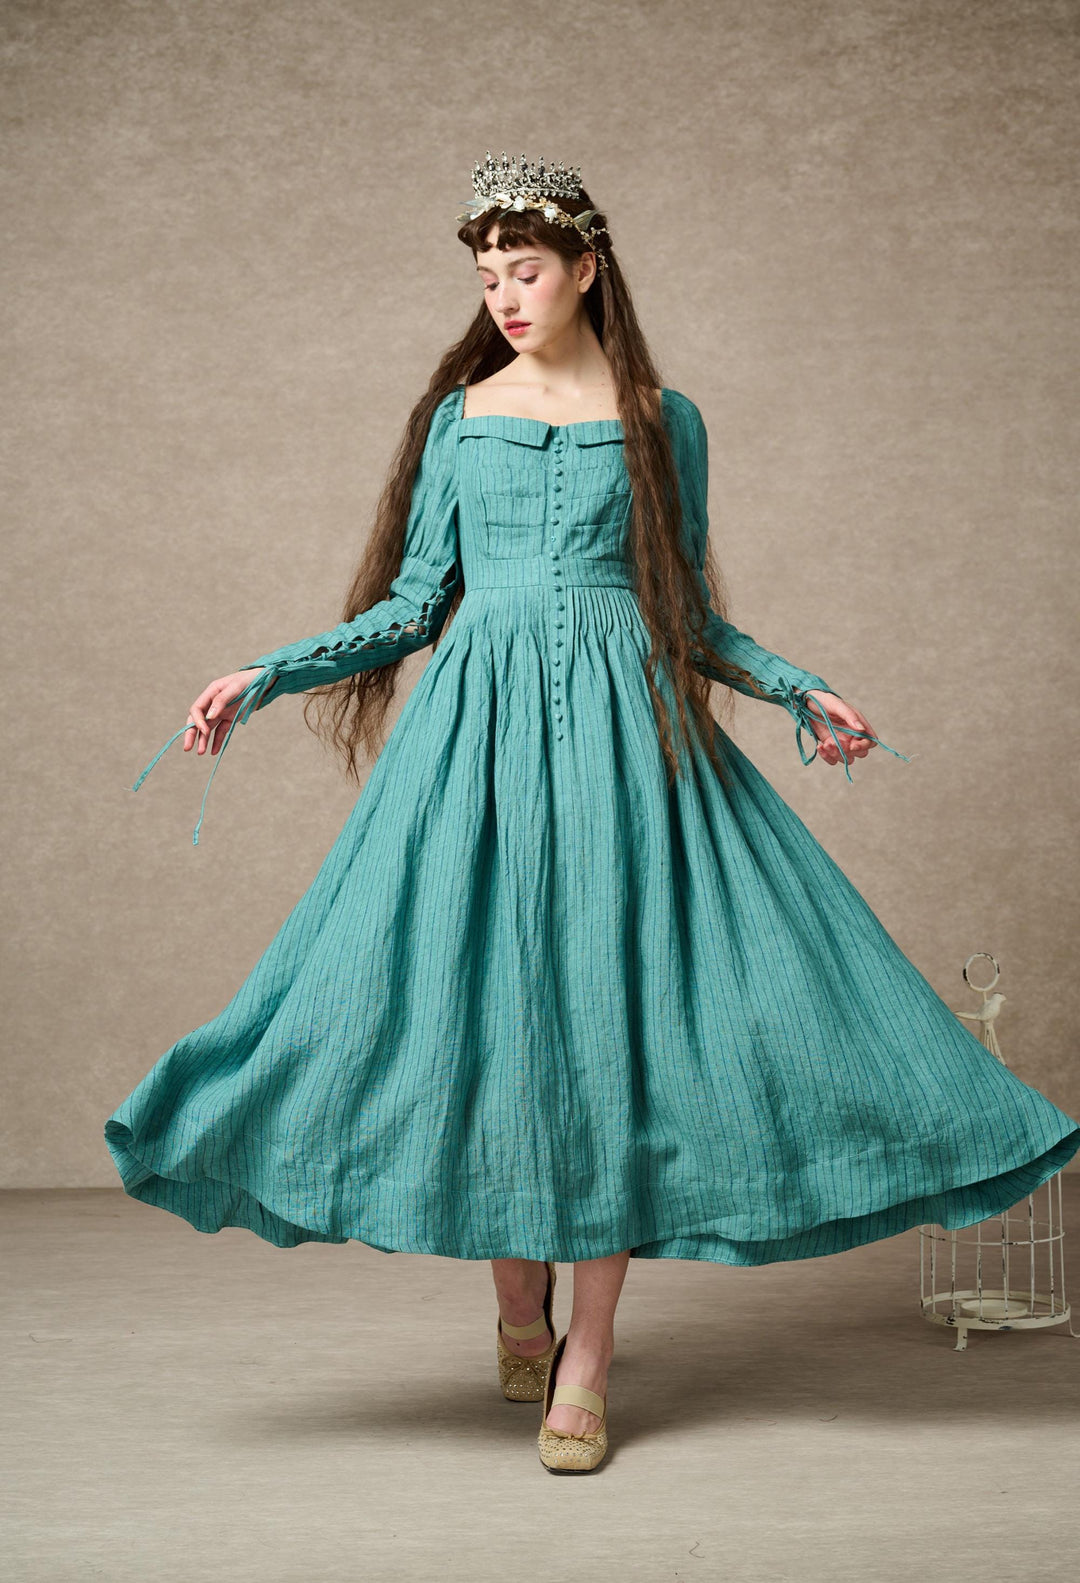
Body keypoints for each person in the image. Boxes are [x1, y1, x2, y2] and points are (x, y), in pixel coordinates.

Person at [106, 151, 1080, 1474]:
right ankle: (521, 1304)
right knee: (492, 1021)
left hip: (635, 750)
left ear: (586, 269)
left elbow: (684, 609)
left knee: (613, 1029)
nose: (506, 297)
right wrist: (265, 674)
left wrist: (799, 690)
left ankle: (590, 1358)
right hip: (476, 756)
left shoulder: (664, 419)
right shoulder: (460, 418)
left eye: (526, 271)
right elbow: (415, 606)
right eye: (486, 278)